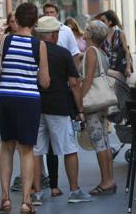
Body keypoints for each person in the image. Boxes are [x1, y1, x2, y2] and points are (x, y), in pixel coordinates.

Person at [0, 2, 50, 214]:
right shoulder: (39, 45)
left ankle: (5, 198)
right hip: (28, 101)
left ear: (16, 20)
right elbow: (44, 82)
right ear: (34, 22)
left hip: (6, 98)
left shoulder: (5, 41)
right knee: (26, 150)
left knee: (6, 147)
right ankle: (26, 201)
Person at [31, 16, 91, 204]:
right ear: (55, 35)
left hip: (34, 106)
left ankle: (37, 192)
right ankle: (74, 190)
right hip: (59, 106)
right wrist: (80, 109)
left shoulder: (30, 52)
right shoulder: (63, 54)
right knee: (69, 149)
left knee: (36, 151)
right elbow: (74, 84)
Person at [80, 20, 116, 195]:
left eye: (87, 29)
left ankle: (106, 181)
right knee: (105, 141)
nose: (84, 31)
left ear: (91, 34)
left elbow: (87, 79)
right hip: (102, 103)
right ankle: (110, 178)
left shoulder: (91, 51)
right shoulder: (101, 52)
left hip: (93, 103)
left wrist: (79, 100)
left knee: (98, 142)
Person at [98, 10, 132, 78]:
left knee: (119, 88)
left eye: (103, 21)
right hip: (107, 70)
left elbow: (126, 51)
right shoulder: (101, 35)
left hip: (119, 68)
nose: (101, 23)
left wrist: (128, 67)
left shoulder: (120, 34)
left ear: (110, 22)